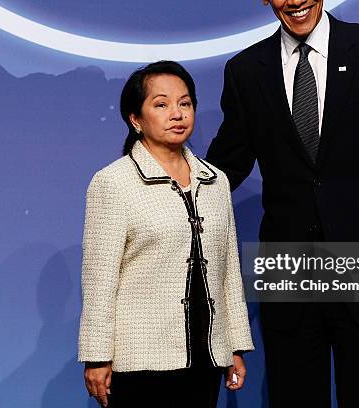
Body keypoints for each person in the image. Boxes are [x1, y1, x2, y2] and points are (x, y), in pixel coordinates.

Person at [205, 1, 359, 407]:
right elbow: (227, 166)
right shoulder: (246, 69)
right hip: (290, 271)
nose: (294, 1)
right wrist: (164, 178)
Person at [78, 61, 254, 408]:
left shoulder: (215, 181)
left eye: (184, 103)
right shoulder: (114, 183)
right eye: (161, 104)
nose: (176, 113)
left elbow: (228, 272)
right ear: (135, 119)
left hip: (205, 356)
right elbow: (99, 278)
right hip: (140, 359)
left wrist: (233, 346)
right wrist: (97, 355)